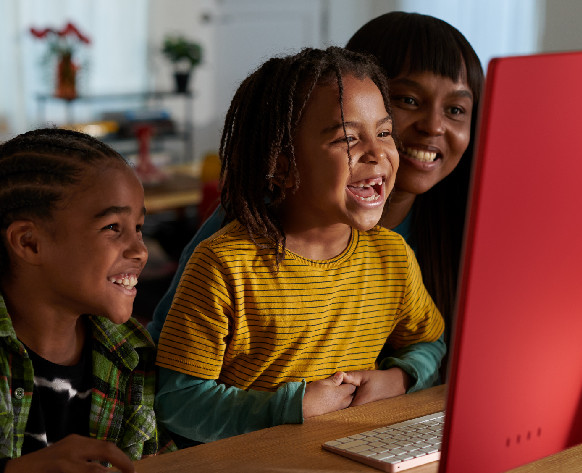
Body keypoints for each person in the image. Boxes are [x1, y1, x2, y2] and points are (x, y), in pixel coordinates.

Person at [154, 47, 446, 445]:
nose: (377, 154)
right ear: (282, 163)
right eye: (347, 138)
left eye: (384, 132)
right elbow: (177, 402)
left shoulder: (392, 258)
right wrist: (289, 408)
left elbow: (429, 341)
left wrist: (399, 378)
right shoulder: (224, 265)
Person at [145, 11, 484, 346]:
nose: (434, 126)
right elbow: (170, 350)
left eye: (455, 110)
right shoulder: (251, 225)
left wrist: (402, 374)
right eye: (408, 100)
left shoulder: (453, 227)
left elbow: (432, 346)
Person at [0, 128, 174, 472]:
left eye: (138, 227)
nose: (139, 250)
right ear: (29, 242)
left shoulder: (131, 353)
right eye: (112, 227)